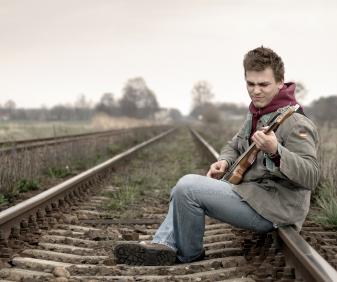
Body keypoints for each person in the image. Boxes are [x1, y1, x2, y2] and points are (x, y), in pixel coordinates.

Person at [114, 46, 320, 266]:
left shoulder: (296, 123)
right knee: (180, 191)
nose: (256, 91)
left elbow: (312, 176)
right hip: (252, 195)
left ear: (280, 83)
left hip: (275, 208)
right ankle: (163, 245)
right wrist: (224, 161)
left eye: (263, 84)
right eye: (250, 84)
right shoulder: (259, 113)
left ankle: (187, 255)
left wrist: (275, 151)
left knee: (188, 188)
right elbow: (233, 145)